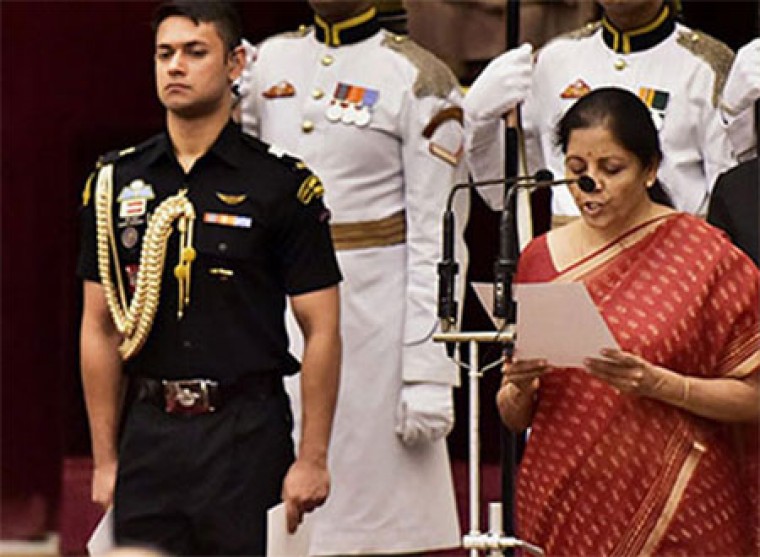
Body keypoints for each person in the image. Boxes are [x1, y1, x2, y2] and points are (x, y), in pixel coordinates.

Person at [77, 2, 342, 555]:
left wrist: (313, 457)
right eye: (164, 54)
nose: (176, 66)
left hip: (245, 432)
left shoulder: (281, 185)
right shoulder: (116, 182)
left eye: (195, 52)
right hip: (150, 431)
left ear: (235, 63)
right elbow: (99, 326)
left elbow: (321, 328)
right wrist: (105, 460)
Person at [237, 0, 464, 553]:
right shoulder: (268, 62)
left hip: (374, 323)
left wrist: (429, 366)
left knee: (368, 520)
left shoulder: (418, 78)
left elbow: (437, 233)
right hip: (276, 310)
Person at [496, 87, 759, 555]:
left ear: (650, 169)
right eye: (577, 169)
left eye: (611, 169)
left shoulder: (706, 257)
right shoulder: (539, 258)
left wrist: (661, 384)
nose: (590, 184)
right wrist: (518, 387)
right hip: (560, 505)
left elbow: (754, 396)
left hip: (680, 508)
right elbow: (516, 416)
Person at [464, 0, 737, 229]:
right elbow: (502, 191)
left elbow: (730, 200)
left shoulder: (706, 67)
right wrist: (479, 121)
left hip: (669, 256)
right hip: (571, 256)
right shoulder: (556, 59)